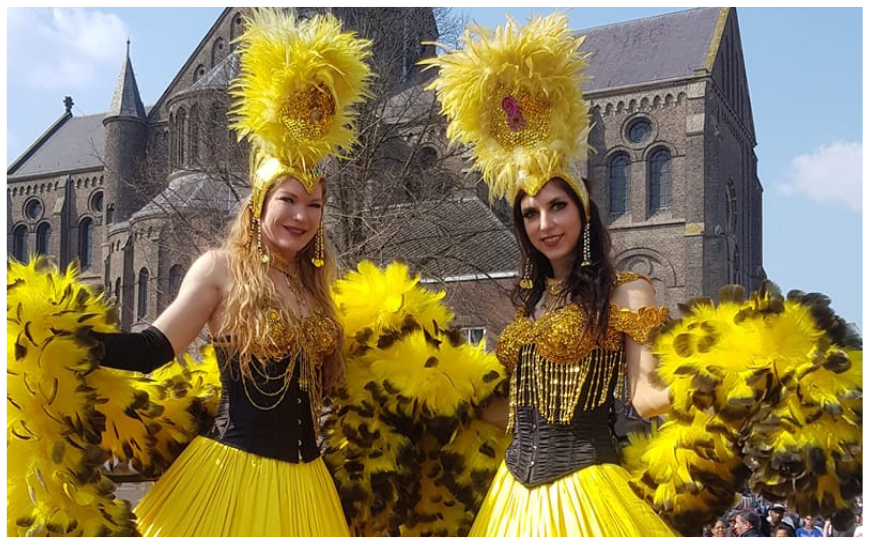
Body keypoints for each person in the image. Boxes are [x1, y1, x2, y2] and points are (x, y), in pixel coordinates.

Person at [84, 8, 373, 536]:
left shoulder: (317, 288)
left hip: (311, 489)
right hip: (232, 479)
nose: (301, 216)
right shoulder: (220, 269)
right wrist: (68, 339)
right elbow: (152, 348)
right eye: (288, 199)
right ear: (258, 206)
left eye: (315, 204)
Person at [423, 13, 676, 537]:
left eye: (557, 206)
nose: (545, 223)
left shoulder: (628, 290)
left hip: (588, 492)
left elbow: (645, 396)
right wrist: (430, 385)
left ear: (583, 211)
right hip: (510, 501)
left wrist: (723, 380)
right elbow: (508, 412)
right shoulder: (527, 303)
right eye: (530, 213)